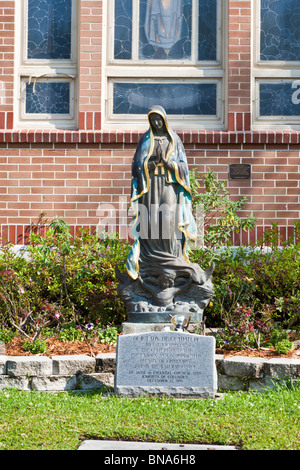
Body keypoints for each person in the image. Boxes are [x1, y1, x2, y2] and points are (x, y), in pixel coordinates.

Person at [126, 105, 205, 285]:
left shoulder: (174, 140)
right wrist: (153, 163)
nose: (156, 122)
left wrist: (169, 164)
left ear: (164, 120)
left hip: (169, 185)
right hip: (150, 186)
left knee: (169, 220)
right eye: (153, 119)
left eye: (158, 119)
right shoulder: (145, 139)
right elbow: (136, 166)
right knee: (152, 220)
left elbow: (184, 167)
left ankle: (171, 256)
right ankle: (150, 260)